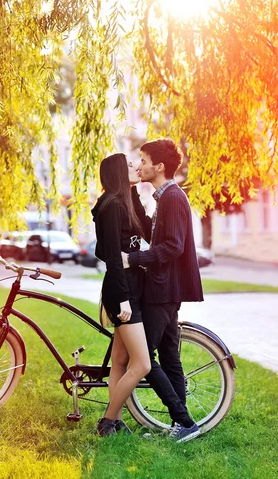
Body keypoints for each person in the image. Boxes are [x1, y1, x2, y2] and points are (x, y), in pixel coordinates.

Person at [122, 138, 204, 444]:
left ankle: (184, 421)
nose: (139, 165)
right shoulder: (164, 197)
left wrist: (132, 259)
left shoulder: (172, 197)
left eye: (143, 160)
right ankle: (181, 424)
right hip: (166, 288)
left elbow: (172, 247)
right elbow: (148, 230)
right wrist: (130, 189)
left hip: (163, 288)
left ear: (159, 166)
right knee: (169, 355)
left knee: (144, 357)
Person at [92, 153, 151, 437]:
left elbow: (149, 233)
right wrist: (123, 298)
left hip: (131, 287)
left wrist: (136, 192)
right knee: (142, 364)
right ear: (117, 171)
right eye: (130, 165)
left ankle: (112, 422)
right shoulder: (112, 206)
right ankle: (108, 420)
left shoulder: (124, 201)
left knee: (120, 361)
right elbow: (112, 257)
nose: (136, 167)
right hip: (122, 291)